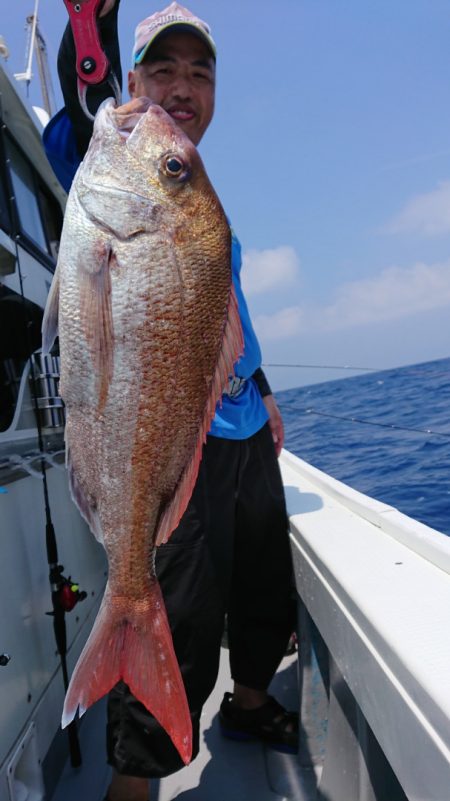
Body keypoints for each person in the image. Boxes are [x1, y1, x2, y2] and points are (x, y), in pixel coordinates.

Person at [45, 3, 297, 799]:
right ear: (131, 80)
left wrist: (261, 388)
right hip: (173, 439)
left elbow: (225, 321)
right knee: (178, 611)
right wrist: (89, 37)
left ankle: (251, 703)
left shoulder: (193, 201)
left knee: (264, 582)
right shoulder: (108, 160)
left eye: (200, 72)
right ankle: (133, 782)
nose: (182, 86)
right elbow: (74, 120)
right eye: (163, 69)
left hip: (245, 427)